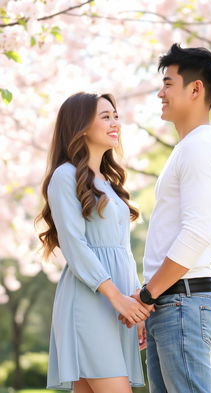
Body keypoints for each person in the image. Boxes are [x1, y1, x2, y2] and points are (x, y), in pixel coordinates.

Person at [130, 44, 211, 393]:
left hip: (182, 302)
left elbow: (196, 234)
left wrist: (147, 295)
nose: (160, 93)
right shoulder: (189, 148)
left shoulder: (201, 148)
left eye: (168, 83)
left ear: (195, 89)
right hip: (171, 302)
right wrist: (152, 299)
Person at [36, 92, 149, 393]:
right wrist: (117, 298)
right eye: (105, 116)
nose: (115, 123)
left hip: (118, 303)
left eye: (116, 116)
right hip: (90, 301)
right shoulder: (65, 176)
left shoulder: (110, 185)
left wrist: (134, 305)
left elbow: (123, 251)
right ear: (82, 126)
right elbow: (74, 246)